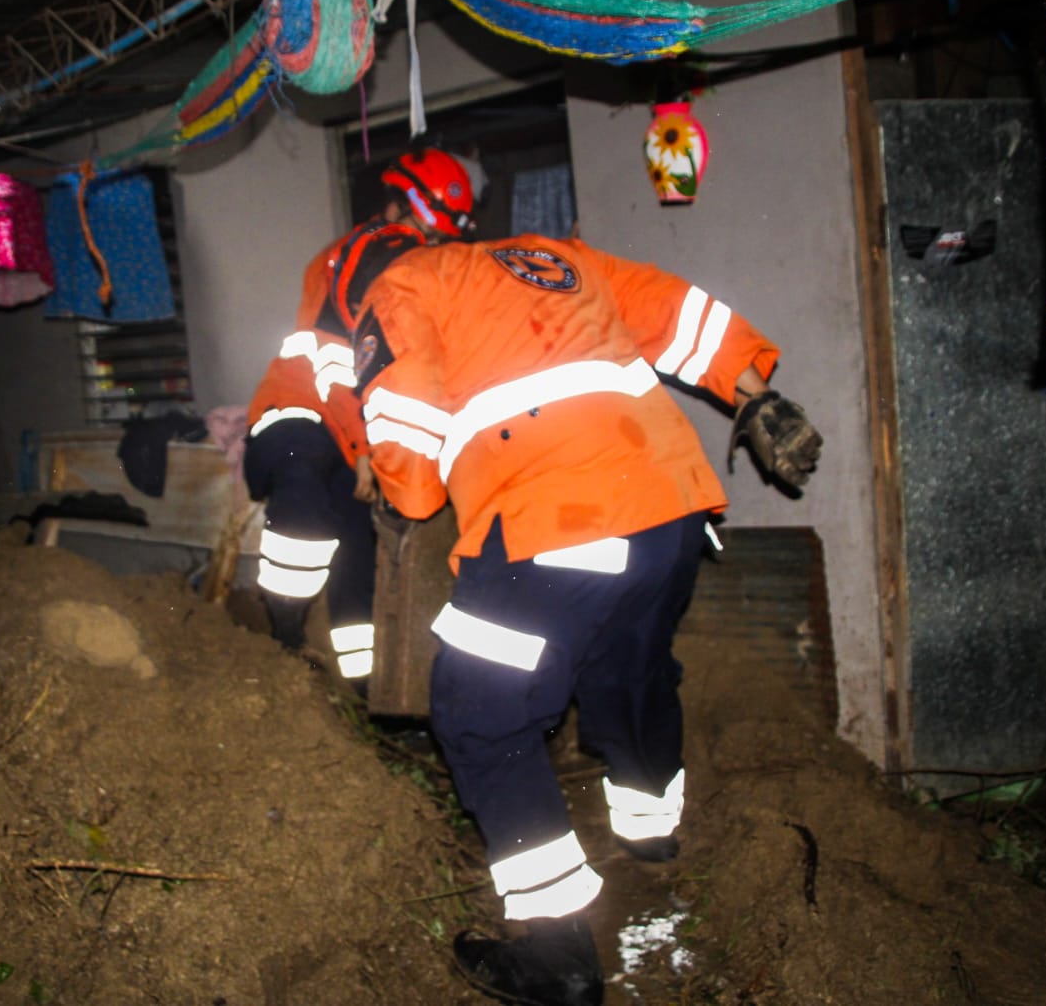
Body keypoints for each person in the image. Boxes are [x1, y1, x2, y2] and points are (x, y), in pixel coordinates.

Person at [347, 232, 821, 1004]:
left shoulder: (398, 284)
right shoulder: (553, 255)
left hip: (551, 519)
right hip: (670, 509)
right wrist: (753, 395)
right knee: (627, 671)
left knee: (481, 717)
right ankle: (650, 834)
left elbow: (405, 426)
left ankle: (555, 954)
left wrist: (402, 487)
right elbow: (677, 313)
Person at [242, 148, 478, 684]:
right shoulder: (354, 260)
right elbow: (338, 368)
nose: (426, 244)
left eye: (436, 238)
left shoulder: (418, 266)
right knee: (305, 497)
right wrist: (366, 450)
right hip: (299, 413)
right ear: (396, 207)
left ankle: (363, 687)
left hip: (356, 432)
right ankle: (283, 643)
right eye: (423, 230)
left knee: (359, 542)